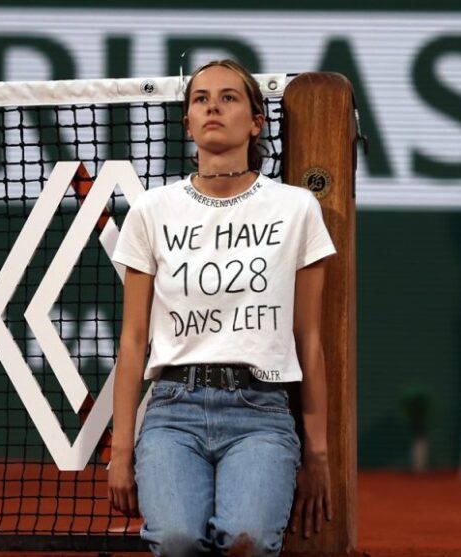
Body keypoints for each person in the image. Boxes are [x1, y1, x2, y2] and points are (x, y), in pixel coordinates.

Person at [107, 60, 335, 556]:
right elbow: (132, 338)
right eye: (200, 98)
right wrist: (121, 448)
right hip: (172, 411)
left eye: (230, 97)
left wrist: (317, 453)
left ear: (256, 122)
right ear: (187, 122)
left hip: (262, 411)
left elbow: (309, 339)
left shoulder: (297, 208)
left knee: (245, 543)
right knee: (177, 539)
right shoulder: (151, 211)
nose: (213, 106)